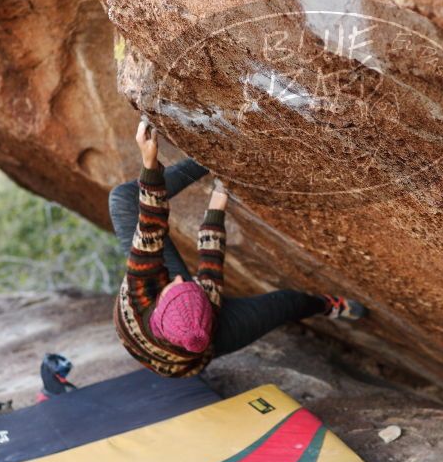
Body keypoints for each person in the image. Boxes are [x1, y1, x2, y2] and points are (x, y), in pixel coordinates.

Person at [108, 120, 367, 377]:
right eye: (183, 284)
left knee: (122, 200)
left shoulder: (139, 290)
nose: (178, 278)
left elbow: (150, 227)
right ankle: (329, 306)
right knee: (288, 303)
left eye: (179, 285)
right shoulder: (209, 311)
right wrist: (221, 196)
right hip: (202, 344)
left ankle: (207, 159)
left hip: (163, 312)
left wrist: (151, 161)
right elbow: (211, 256)